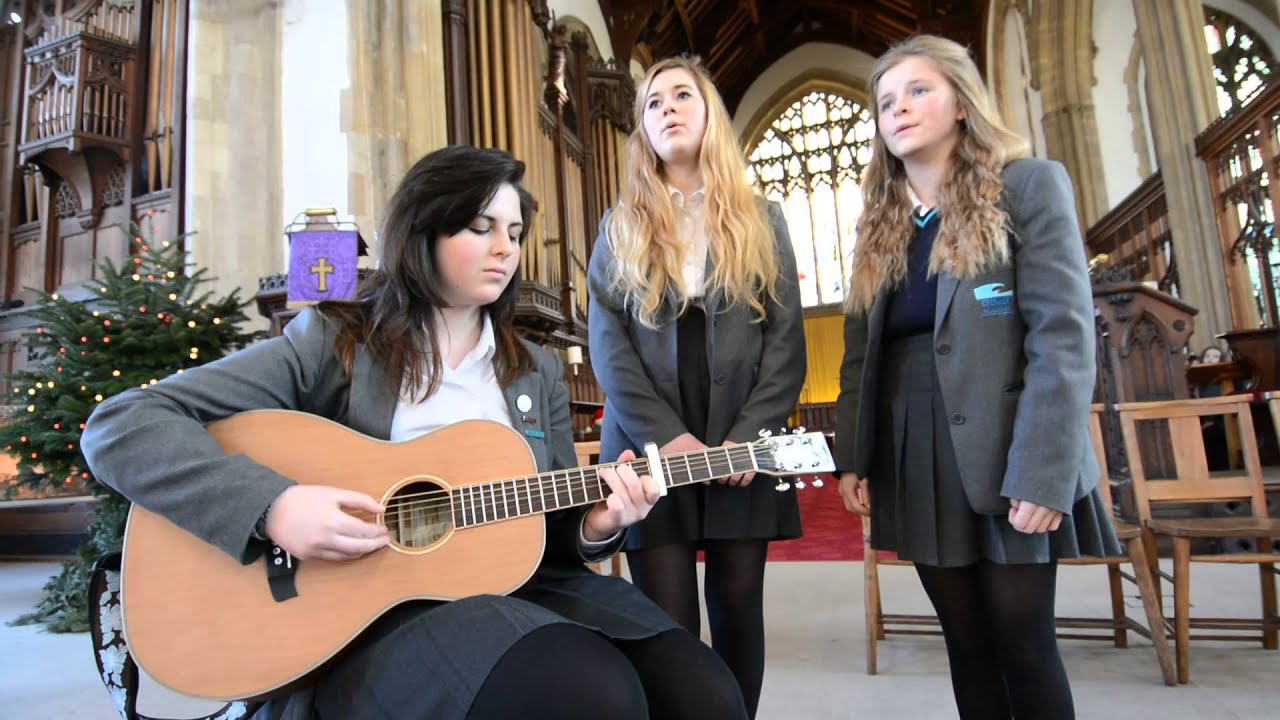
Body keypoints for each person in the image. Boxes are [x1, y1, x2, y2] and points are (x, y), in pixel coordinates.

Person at [82, 145, 748, 720]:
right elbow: (119, 425)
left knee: (706, 693)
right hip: (371, 613)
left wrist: (597, 523)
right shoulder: (335, 341)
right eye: (480, 226)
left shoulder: (536, 371)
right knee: (591, 694)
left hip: (528, 591)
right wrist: (273, 507)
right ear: (424, 231)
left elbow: (545, 536)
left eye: (514, 233)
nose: (504, 249)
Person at [834, 35, 1121, 720]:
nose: (898, 109)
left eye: (918, 91)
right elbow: (858, 355)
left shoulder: (1026, 185)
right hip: (917, 452)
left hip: (1008, 442)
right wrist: (856, 455)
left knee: (1024, 644)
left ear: (961, 102)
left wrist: (1044, 470)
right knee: (964, 645)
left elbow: (1063, 336)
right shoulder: (881, 225)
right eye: (885, 102)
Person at [587, 55, 806, 719]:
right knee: (668, 615)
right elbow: (609, 347)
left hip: (742, 431)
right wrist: (667, 437)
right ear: (643, 132)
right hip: (647, 443)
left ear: (709, 115)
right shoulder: (618, 226)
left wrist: (745, 440)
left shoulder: (760, 218)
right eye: (654, 103)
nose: (668, 109)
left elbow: (786, 344)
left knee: (739, 603)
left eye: (683, 95)